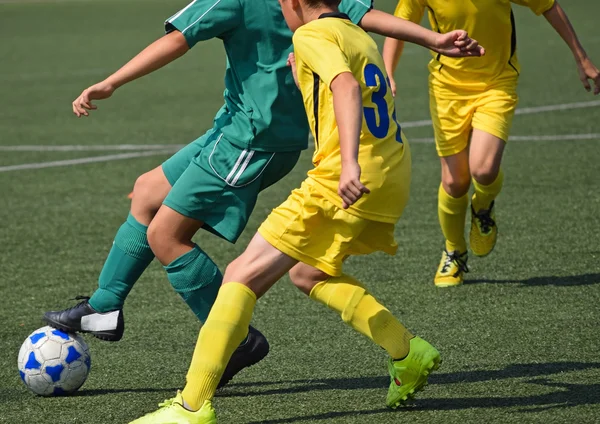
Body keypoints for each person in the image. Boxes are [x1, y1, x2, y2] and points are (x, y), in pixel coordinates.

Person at [43, 0, 482, 388]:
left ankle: (236, 342)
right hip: (236, 128)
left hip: (252, 141)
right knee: (146, 191)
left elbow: (182, 37)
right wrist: (433, 39)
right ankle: (104, 308)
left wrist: (111, 83)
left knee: (166, 236)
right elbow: (365, 14)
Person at [129, 0, 446, 422]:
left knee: (241, 276)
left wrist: (348, 161)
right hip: (392, 173)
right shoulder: (358, 33)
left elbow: (347, 87)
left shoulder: (311, 34)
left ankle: (191, 407)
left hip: (344, 177)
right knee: (308, 272)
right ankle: (406, 352)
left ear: (295, 3)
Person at [382, 0, 600, 287]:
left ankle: (482, 206)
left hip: (496, 84)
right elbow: (399, 26)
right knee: (455, 182)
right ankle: (454, 250)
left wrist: (581, 56)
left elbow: (548, 5)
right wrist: (388, 72)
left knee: (483, 170)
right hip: (447, 88)